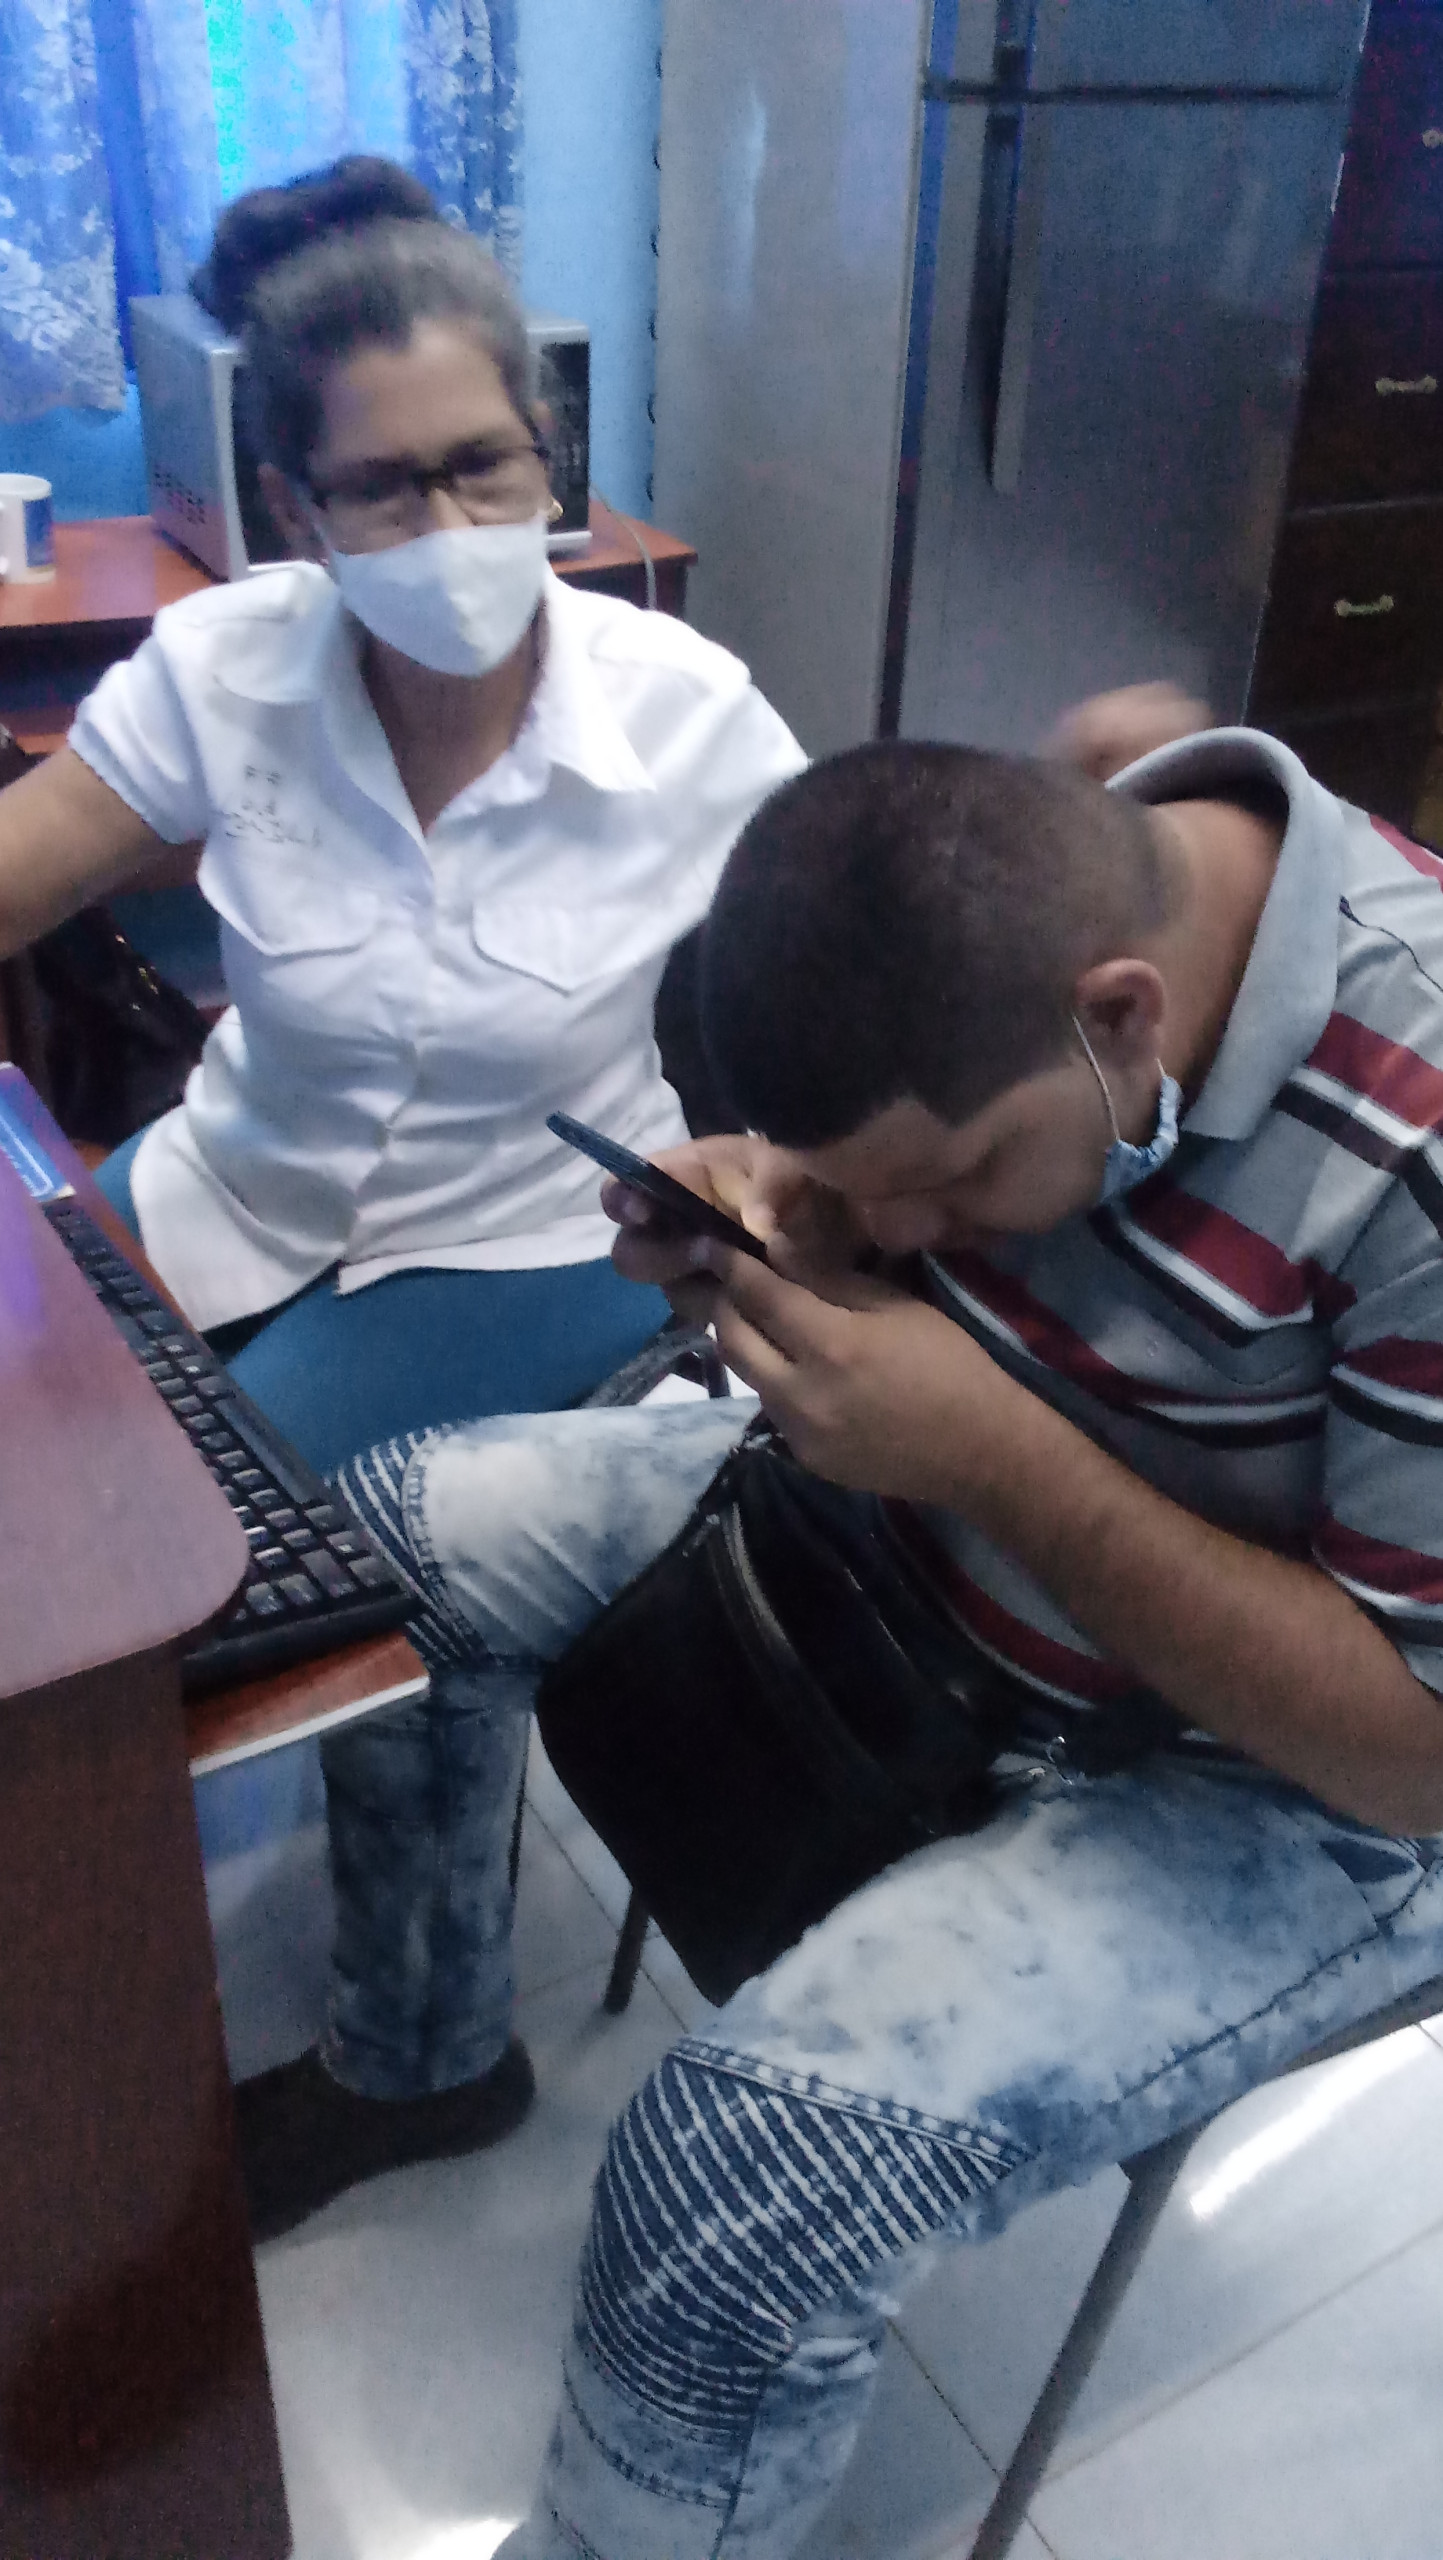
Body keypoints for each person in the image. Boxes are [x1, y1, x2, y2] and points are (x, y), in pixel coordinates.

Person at [300, 697, 1443, 2556]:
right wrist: (778, 1209)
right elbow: (875, 1204)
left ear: (1125, 1015)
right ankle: (419, 2055)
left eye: (954, 1178)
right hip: (923, 1516)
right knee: (381, 1558)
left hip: (1264, 1767)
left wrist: (997, 1458)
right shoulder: (1051, 858)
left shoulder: (1417, 1150)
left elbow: (1415, 1761)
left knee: (743, 2187)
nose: (912, 1231)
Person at [0, 155, 805, 1473]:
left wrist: (783, 1175)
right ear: (294, 509)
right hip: (235, 1180)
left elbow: (866, 977)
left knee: (202, 1512)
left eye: (482, 466)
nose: (446, 528)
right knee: (27, 1442)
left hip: (529, 1239)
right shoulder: (221, 669)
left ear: (546, 455)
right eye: (379, 487)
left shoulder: (684, 710)